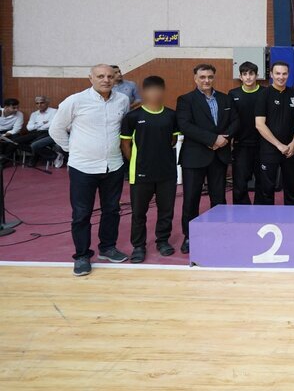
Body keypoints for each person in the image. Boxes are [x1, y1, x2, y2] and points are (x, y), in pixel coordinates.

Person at [49, 64, 131, 276]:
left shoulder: (122, 100)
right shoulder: (75, 101)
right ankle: (82, 256)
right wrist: (71, 149)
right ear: (91, 78)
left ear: (115, 78)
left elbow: (123, 128)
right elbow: (56, 129)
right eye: (100, 76)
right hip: (83, 167)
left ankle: (108, 248)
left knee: (112, 210)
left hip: (113, 165)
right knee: (81, 214)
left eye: (110, 76)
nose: (106, 80)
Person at [176, 64, 237, 254]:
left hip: (219, 155)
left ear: (214, 78)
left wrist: (224, 139)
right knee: (191, 199)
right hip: (194, 157)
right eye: (202, 77)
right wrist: (212, 140)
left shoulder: (225, 99)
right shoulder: (186, 100)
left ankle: (219, 232)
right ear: (195, 78)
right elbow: (185, 125)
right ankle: (189, 236)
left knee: (218, 198)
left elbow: (236, 121)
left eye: (210, 77)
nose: (206, 80)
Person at [120, 76, 179, 263]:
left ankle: (163, 241)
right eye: (151, 90)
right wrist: (138, 162)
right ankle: (138, 246)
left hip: (166, 173)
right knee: (139, 213)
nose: (155, 93)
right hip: (141, 173)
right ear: (144, 92)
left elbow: (173, 140)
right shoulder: (133, 117)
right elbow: (125, 144)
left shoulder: (171, 115)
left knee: (166, 211)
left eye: (158, 89)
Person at [255, 61, 294, 206]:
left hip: (291, 150)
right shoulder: (263, 95)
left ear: (289, 75)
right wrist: (278, 145)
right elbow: (259, 124)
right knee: (267, 188)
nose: (281, 77)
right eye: (277, 73)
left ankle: (293, 217)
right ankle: (267, 217)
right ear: (271, 74)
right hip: (269, 149)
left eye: (284, 74)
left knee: (292, 188)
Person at [228, 61, 263, 205]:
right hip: (241, 145)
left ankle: (262, 211)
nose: (248, 77)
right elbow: (230, 120)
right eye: (245, 74)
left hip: (262, 145)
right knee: (240, 183)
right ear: (240, 77)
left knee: (263, 182)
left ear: (257, 75)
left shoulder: (265, 92)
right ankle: (241, 213)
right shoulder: (233, 94)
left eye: (251, 74)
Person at [19, 96, 59, 167]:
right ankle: (53, 155)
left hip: (48, 132)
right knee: (17, 142)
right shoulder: (34, 114)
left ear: (47, 103)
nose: (39, 105)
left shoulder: (54, 111)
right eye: (37, 103)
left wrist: (37, 125)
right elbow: (29, 128)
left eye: (42, 103)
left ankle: (34, 158)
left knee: (35, 143)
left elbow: (52, 124)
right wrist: (42, 124)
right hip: (35, 132)